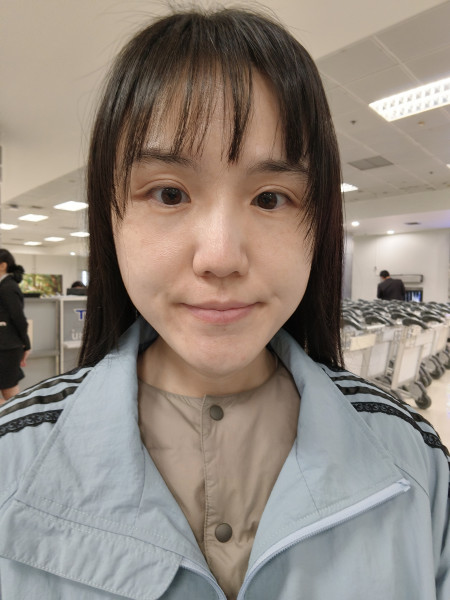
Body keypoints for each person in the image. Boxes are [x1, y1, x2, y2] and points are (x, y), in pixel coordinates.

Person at [0, 8, 448, 599]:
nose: (220, 257)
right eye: (169, 193)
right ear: (110, 220)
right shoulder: (12, 460)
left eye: (270, 198)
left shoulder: (416, 461)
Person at [0, 249, 31, 404]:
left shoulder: (8, 287)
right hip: (5, 346)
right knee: (8, 393)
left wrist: (27, 345)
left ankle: (19, 417)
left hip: (8, 348)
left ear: (3, 265)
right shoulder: (4, 285)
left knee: (10, 393)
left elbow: (19, 319)